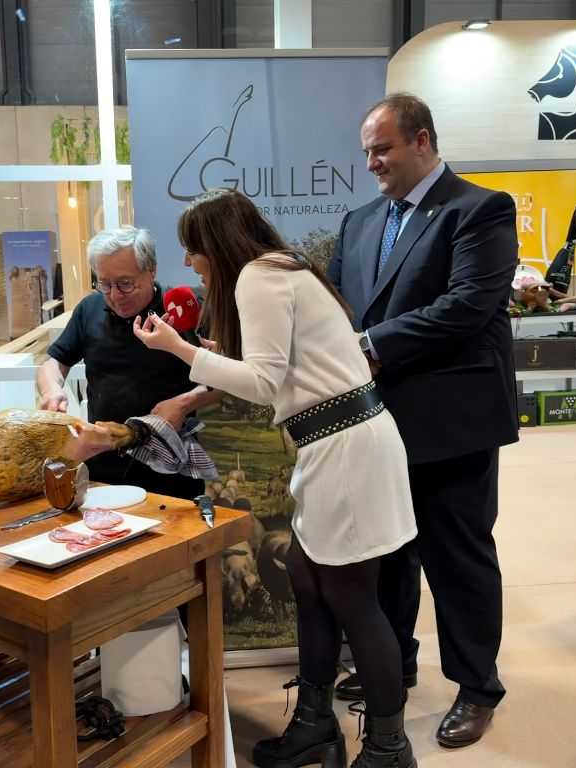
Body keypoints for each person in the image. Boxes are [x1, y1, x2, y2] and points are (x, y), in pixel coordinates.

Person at [133, 188, 418, 768]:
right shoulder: (282, 268)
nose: (188, 261)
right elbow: (282, 362)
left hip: (344, 450)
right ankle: (315, 726)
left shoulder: (257, 278)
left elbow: (262, 384)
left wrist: (180, 350)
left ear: (217, 242)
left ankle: (389, 750)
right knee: (309, 583)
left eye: (192, 247)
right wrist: (200, 348)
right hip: (341, 442)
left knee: (353, 600)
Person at [327, 92, 519, 748]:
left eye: (382, 149)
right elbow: (338, 307)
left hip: (452, 422)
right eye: (366, 153)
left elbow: (468, 305)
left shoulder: (479, 209)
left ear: (422, 140)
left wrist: (370, 345)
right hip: (376, 423)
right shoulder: (359, 222)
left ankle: (478, 688)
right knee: (388, 555)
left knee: (457, 558)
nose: (372, 163)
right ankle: (394, 662)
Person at [36, 225, 225, 499]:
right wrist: (51, 390)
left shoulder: (184, 310)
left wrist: (185, 403)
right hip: (101, 466)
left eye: (125, 284)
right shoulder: (89, 309)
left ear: (151, 271)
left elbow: (225, 378)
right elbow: (54, 363)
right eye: (104, 284)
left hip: (170, 469)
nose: (114, 295)